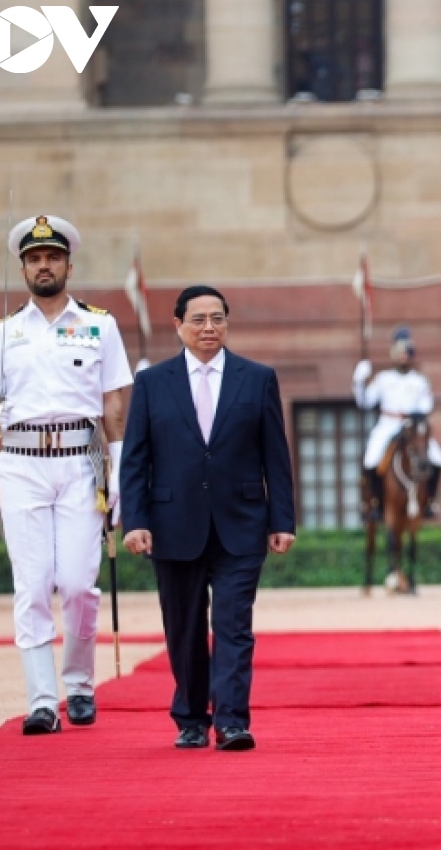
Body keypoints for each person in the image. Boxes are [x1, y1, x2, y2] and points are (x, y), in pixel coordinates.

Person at [0, 215, 133, 736]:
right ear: (23, 268)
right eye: (35, 259)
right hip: (21, 465)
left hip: (79, 462)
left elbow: (113, 402)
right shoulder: (5, 332)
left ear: (68, 263)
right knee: (34, 584)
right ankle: (42, 700)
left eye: (53, 257)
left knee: (80, 585)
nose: (44, 266)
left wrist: (121, 469)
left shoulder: (98, 324)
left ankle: (81, 685)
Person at [120, 285, 296, 751]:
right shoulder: (152, 383)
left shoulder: (256, 379)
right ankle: (192, 718)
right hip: (173, 524)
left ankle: (233, 720)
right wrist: (134, 521)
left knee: (234, 624)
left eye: (217, 318)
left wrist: (283, 520)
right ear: (177, 325)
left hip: (241, 524)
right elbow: (135, 460)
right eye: (198, 319)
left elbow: (274, 456)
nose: (208, 328)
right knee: (184, 628)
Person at [354, 326, 441, 519]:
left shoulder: (419, 381)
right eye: (399, 353)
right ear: (393, 355)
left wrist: (416, 415)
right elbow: (365, 402)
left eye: (407, 353)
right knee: (370, 459)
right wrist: (359, 381)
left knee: (439, 459)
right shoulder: (383, 379)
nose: (403, 357)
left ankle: (430, 501)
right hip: (388, 425)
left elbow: (426, 405)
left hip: (412, 427)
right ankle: (374, 503)